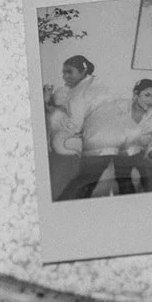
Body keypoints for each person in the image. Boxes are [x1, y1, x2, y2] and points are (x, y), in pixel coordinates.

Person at [48, 56, 125, 199]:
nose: (65, 76)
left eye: (70, 72)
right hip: (117, 139)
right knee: (91, 181)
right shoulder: (98, 83)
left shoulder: (77, 93)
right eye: (64, 72)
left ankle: (65, 204)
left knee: (81, 183)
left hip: (98, 142)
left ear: (83, 71)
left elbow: (74, 127)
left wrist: (56, 112)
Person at [113, 79, 152, 194]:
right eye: (147, 95)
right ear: (136, 94)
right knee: (125, 184)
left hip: (141, 151)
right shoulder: (118, 107)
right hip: (120, 152)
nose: (150, 101)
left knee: (151, 177)